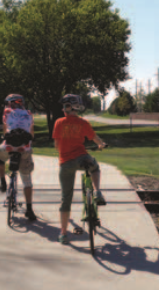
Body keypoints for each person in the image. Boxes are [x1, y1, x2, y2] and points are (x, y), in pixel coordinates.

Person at [52, 94, 107, 244]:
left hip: (65, 163)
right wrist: (101, 144)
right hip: (82, 157)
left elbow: (56, 145)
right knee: (94, 167)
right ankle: (97, 191)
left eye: (64, 106)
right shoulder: (83, 122)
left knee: (66, 198)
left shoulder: (58, 122)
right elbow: (94, 138)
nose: (63, 109)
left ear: (68, 107)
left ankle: (63, 234)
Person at [0, 94, 37, 221]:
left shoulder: (7, 112)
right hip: (24, 149)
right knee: (27, 181)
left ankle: (2, 181)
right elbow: (32, 134)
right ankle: (29, 209)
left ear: (9, 103)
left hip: (8, 148)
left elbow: (5, 131)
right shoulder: (29, 114)